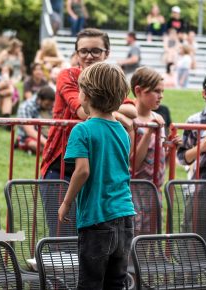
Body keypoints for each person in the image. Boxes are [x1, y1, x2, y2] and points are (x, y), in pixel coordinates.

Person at [58, 62, 135, 289]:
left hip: (97, 218)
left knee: (91, 283)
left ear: (88, 95)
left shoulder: (82, 130)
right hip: (125, 215)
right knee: (116, 282)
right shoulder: (122, 129)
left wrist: (66, 203)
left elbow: (82, 171)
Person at [41, 28, 137, 183]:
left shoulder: (110, 78)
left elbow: (133, 111)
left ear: (107, 53)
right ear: (76, 53)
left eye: (96, 51)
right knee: (60, 208)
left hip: (97, 166)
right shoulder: (68, 75)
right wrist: (116, 114)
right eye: (84, 51)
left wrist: (104, 108)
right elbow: (83, 112)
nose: (89, 56)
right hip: (61, 164)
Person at [130, 67, 180, 191]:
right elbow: (133, 165)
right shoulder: (129, 120)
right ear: (138, 91)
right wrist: (148, 133)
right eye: (156, 91)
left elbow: (161, 163)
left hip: (154, 190)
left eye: (162, 91)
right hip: (133, 191)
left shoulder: (158, 118)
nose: (161, 96)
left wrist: (172, 150)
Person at [16, 86, 55, 153]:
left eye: (51, 105)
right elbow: (30, 131)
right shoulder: (26, 107)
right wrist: (48, 144)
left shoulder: (51, 104)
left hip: (47, 135)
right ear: (39, 99)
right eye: (47, 104)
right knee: (35, 146)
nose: (49, 107)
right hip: (29, 137)